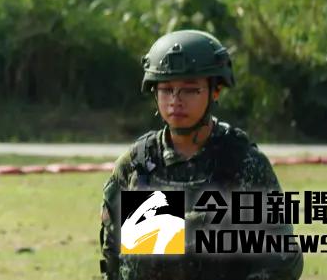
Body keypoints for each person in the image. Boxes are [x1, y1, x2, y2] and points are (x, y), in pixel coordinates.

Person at [99, 30, 305, 280]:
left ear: (215, 91)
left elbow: (281, 260)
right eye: (166, 89)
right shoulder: (138, 165)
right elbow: (113, 258)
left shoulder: (243, 164)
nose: (175, 101)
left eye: (190, 90)